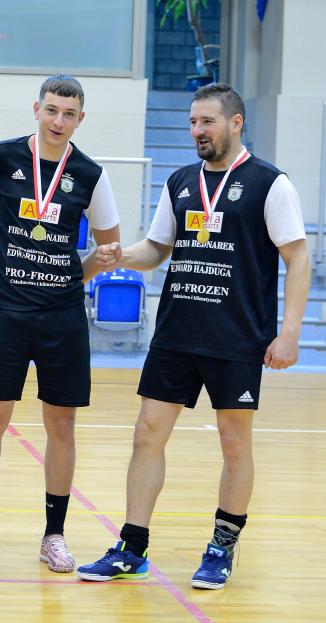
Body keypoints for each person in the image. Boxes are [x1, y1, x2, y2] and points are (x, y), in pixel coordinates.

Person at [77, 83, 308, 589]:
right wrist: (118, 255)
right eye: (192, 122)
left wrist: (289, 332)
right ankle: (132, 549)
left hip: (237, 337)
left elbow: (298, 257)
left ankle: (221, 549)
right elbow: (157, 248)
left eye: (207, 122)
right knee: (147, 434)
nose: (197, 131)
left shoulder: (270, 184)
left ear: (235, 123)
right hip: (177, 333)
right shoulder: (181, 181)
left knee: (234, 444)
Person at [0, 74, 120, 574]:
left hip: (62, 318)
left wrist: (74, 273)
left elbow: (108, 247)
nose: (58, 120)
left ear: (80, 119)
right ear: (37, 109)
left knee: (61, 425)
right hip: (6, 312)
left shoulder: (90, 174)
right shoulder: (2, 156)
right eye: (51, 110)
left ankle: (54, 536)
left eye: (69, 114)